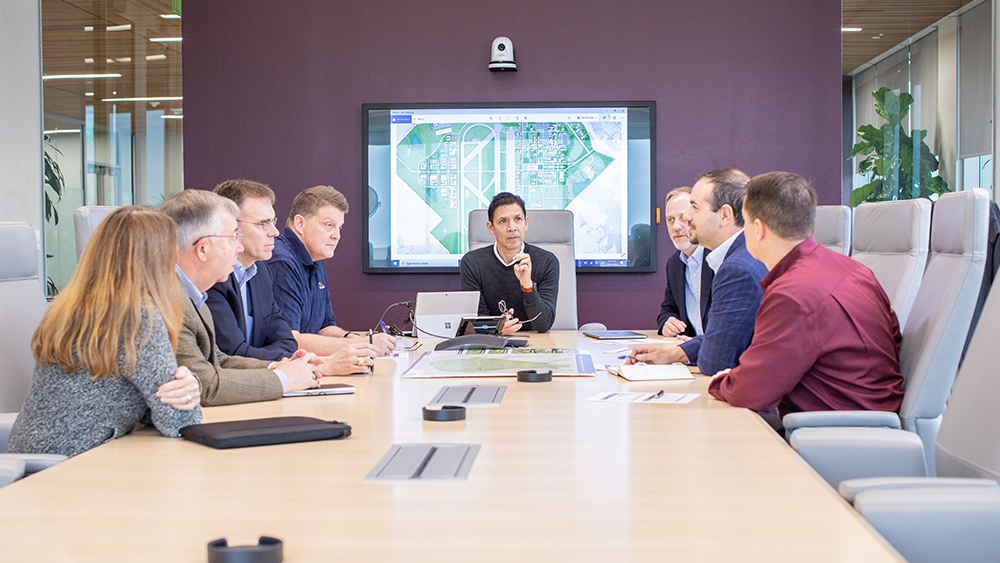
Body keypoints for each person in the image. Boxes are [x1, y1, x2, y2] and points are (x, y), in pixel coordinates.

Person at [7, 207, 202, 457]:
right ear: (157, 259)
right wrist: (189, 389)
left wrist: (185, 387)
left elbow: (146, 404)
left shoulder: (68, 308)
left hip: (37, 458)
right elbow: (179, 423)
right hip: (72, 465)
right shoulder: (138, 317)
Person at [707, 171, 903, 416]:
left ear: (758, 228)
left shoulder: (791, 295)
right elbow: (894, 336)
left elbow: (751, 393)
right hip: (872, 418)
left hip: (830, 432)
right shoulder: (857, 270)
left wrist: (723, 381)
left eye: (744, 223)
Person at [161, 189, 324, 406]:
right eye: (233, 238)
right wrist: (284, 378)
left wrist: (280, 367)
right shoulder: (167, 300)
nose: (239, 248)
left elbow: (219, 361)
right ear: (202, 249)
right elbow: (205, 384)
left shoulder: (194, 295)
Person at [207, 180, 378, 375]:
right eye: (263, 224)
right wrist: (312, 365)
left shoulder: (259, 271)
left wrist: (351, 341)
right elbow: (232, 355)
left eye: (272, 222)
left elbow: (288, 341)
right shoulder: (214, 277)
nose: (274, 232)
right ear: (229, 227)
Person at [631, 169, 767, 374]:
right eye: (671, 219)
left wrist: (680, 353)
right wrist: (671, 354)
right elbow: (722, 335)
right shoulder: (740, 254)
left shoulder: (737, 269)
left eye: (694, 209)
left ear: (724, 215)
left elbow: (716, 361)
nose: (687, 219)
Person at [266, 185, 396, 356]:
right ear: (300, 223)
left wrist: (351, 338)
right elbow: (290, 341)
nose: (337, 235)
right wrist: (365, 343)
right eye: (329, 225)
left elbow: (325, 327)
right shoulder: (282, 262)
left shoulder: (315, 258)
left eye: (339, 227)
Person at [460, 192, 559, 334]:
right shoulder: (472, 262)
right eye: (503, 221)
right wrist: (496, 328)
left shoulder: (547, 261)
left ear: (526, 223)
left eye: (518, 219)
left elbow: (544, 325)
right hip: (491, 343)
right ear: (491, 227)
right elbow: (475, 321)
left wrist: (527, 285)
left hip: (536, 344)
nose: (512, 228)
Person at [657, 186, 713, 337]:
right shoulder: (674, 264)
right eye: (670, 220)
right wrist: (667, 322)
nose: (676, 226)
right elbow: (668, 309)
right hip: (691, 354)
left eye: (683, 218)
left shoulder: (719, 259)